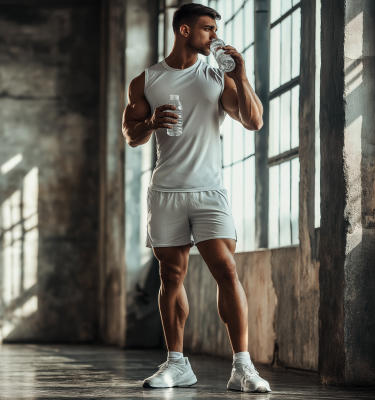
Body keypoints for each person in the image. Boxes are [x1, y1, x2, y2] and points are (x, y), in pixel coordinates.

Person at [122, 2, 271, 394]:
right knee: (170, 276)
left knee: (226, 268)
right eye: (208, 29)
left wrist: (241, 74)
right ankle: (177, 364)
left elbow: (253, 120)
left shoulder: (216, 75)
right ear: (184, 31)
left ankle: (243, 367)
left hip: (209, 191)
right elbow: (131, 135)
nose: (214, 36)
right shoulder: (147, 80)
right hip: (167, 190)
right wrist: (151, 122)